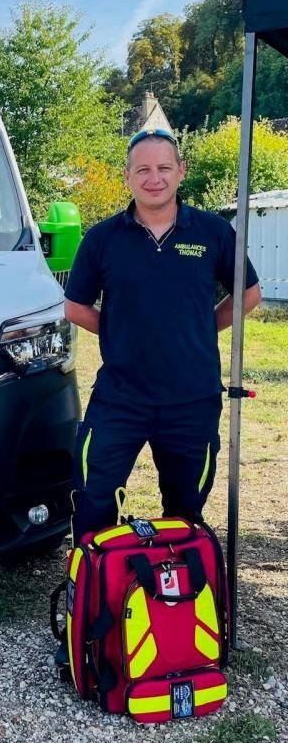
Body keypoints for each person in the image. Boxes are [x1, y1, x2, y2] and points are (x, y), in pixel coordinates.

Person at [64, 128, 262, 544]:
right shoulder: (101, 239)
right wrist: (123, 332)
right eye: (143, 169)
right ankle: (93, 596)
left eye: (164, 168)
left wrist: (203, 327)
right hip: (121, 398)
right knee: (94, 500)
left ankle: (176, 599)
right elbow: (75, 306)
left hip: (192, 398)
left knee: (185, 509)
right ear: (127, 176)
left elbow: (248, 294)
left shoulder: (213, 232)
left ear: (180, 172)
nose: (154, 178)